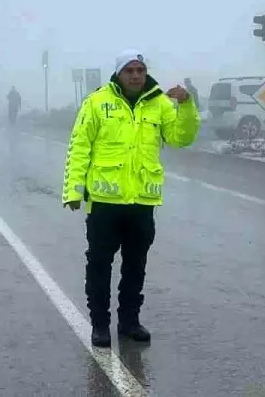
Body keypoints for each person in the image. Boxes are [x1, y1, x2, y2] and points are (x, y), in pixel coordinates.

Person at [62, 50, 200, 348]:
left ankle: (129, 321)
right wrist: (73, 190)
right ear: (119, 74)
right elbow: (79, 146)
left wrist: (187, 106)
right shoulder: (97, 102)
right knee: (99, 265)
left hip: (142, 203)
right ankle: (100, 324)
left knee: (135, 265)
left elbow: (181, 138)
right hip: (104, 203)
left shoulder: (160, 104)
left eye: (140, 70)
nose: (136, 75)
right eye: (130, 71)